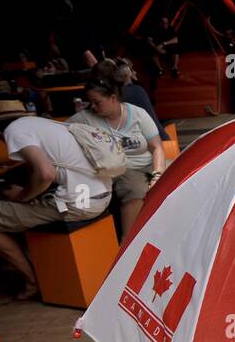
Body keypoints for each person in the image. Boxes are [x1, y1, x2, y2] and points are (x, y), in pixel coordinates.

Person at [0, 98, 112, 298]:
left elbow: (45, 174)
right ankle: (34, 264)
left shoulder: (14, 130)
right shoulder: (45, 124)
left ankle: (31, 281)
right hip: (101, 195)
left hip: (80, 204)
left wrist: (21, 196)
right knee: (13, 208)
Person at [69, 81, 165, 240]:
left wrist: (157, 175)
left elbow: (157, 147)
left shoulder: (137, 113)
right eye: (90, 102)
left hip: (148, 164)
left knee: (179, 179)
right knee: (135, 189)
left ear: (113, 98)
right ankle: (127, 242)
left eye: (97, 102)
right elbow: (58, 132)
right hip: (121, 169)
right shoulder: (84, 118)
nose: (93, 106)